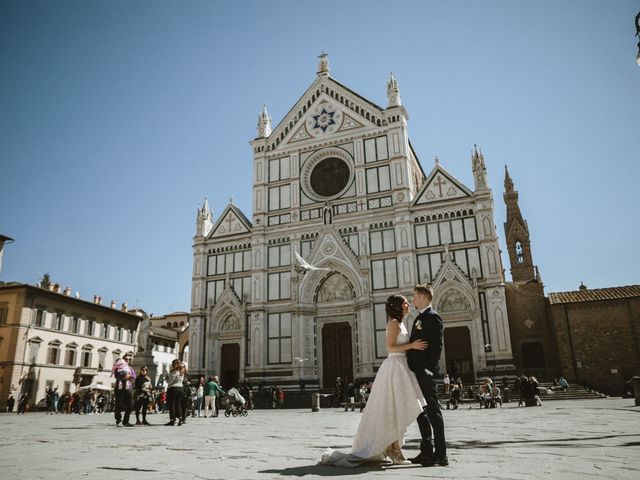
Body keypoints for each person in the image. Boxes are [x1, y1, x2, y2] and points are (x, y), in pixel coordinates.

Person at [321, 294, 428, 467]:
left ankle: (393, 448)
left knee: (397, 409)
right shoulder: (393, 323)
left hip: (402, 368)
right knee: (393, 409)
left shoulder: (400, 323)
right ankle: (394, 451)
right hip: (394, 368)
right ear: (397, 307)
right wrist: (412, 346)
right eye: (405, 303)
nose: (409, 305)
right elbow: (390, 347)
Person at [407, 284, 448, 467]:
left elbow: (437, 345)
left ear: (423, 298)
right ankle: (426, 452)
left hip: (425, 372)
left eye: (414, 297)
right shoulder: (421, 317)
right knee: (421, 412)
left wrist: (429, 369)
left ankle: (441, 455)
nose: (413, 300)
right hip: (416, 371)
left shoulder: (433, 317)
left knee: (433, 412)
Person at [113, 354, 136, 427]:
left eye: (129, 359)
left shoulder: (130, 368)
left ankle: (126, 421)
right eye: (126, 359)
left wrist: (129, 376)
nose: (127, 360)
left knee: (130, 405)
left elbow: (134, 376)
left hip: (128, 388)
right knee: (118, 404)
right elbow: (116, 375)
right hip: (119, 387)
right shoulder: (118, 367)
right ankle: (118, 420)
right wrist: (124, 376)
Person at [162, 359, 186, 426]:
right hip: (181, 388)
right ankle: (180, 419)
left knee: (172, 404)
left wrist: (166, 376)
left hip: (173, 389)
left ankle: (172, 420)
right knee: (178, 404)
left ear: (174, 364)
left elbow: (170, 382)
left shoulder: (174, 372)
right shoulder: (182, 372)